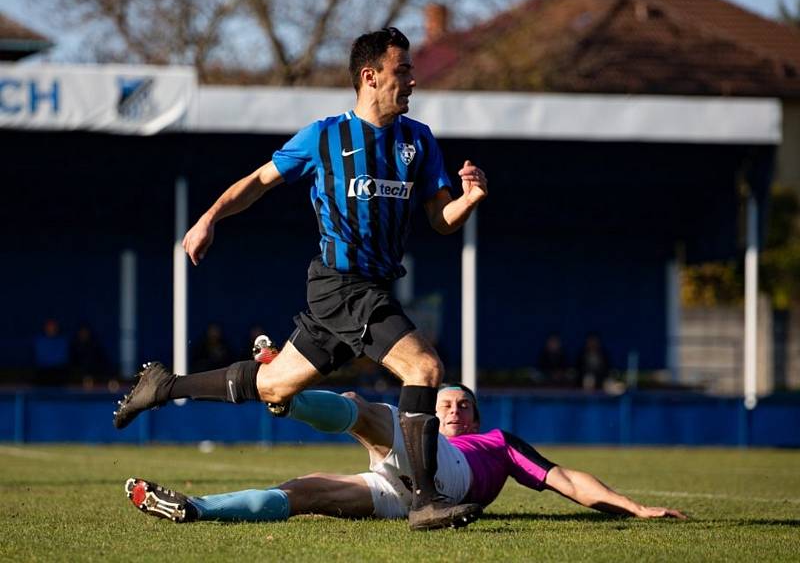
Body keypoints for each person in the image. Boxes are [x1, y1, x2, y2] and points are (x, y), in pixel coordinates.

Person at [113, 27, 488, 530]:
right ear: (370, 76)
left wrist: (467, 201)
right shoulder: (324, 136)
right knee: (424, 369)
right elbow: (258, 183)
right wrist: (208, 219)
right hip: (342, 285)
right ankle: (425, 499)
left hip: (368, 289)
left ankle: (164, 384)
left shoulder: (417, 141)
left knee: (273, 387)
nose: (413, 81)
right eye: (404, 71)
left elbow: (442, 220)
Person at [125, 383, 686, 526]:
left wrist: (633, 509)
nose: (452, 412)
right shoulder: (428, 425)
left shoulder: (496, 443)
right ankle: (198, 508)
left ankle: (284, 396)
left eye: (462, 406)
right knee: (306, 491)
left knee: (360, 411)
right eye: (444, 405)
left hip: (445, 477)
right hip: (407, 487)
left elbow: (564, 477)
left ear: (476, 418)